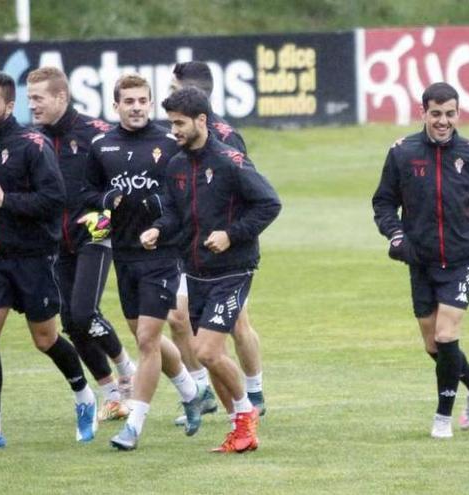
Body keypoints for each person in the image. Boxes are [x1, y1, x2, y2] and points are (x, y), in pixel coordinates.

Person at [0, 70, 97, 451]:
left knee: (45, 339)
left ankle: (84, 397)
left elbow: (54, 200)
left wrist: (7, 202)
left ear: (9, 106)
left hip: (35, 258)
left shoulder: (33, 144)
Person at [372, 82, 469, 439]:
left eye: (450, 114)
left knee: (446, 333)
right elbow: (382, 203)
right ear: (422, 112)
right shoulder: (402, 153)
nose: (443, 121)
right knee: (432, 345)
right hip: (420, 260)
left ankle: (442, 418)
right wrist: (395, 235)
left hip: (461, 259)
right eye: (436, 114)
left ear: (458, 113)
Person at [142, 87, 281, 452]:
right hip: (195, 270)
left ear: (202, 121)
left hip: (233, 270)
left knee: (205, 352)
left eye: (180, 123)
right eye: (171, 122)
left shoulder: (230, 161)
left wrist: (231, 235)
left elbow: (269, 204)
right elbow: (174, 212)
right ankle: (240, 429)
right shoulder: (175, 165)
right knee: (210, 356)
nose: (174, 130)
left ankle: (247, 413)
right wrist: (159, 227)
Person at [83, 74, 205, 451]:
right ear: (115, 105)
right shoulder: (101, 145)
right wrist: (105, 201)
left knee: (148, 341)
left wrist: (161, 223)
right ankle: (190, 391)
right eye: (129, 101)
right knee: (144, 336)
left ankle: (133, 425)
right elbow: (87, 193)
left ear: (151, 104)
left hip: (164, 256)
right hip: (123, 255)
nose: (136, 107)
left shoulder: (170, 145)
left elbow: (185, 200)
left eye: (142, 100)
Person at [27, 66, 136, 421]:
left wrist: (111, 207)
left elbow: (128, 168)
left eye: (38, 98)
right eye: (29, 98)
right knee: (72, 323)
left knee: (84, 312)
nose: (32, 106)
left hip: (97, 232)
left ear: (61, 97)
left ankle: (126, 368)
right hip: (55, 241)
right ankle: (111, 394)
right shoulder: (33, 139)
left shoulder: (97, 133)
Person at [169, 62, 266, 423]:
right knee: (182, 322)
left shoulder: (226, 140)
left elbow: (255, 195)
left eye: (173, 87)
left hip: (226, 257)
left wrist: (232, 235)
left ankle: (250, 396)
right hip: (194, 252)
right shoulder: (180, 139)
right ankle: (218, 398)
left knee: (234, 328)